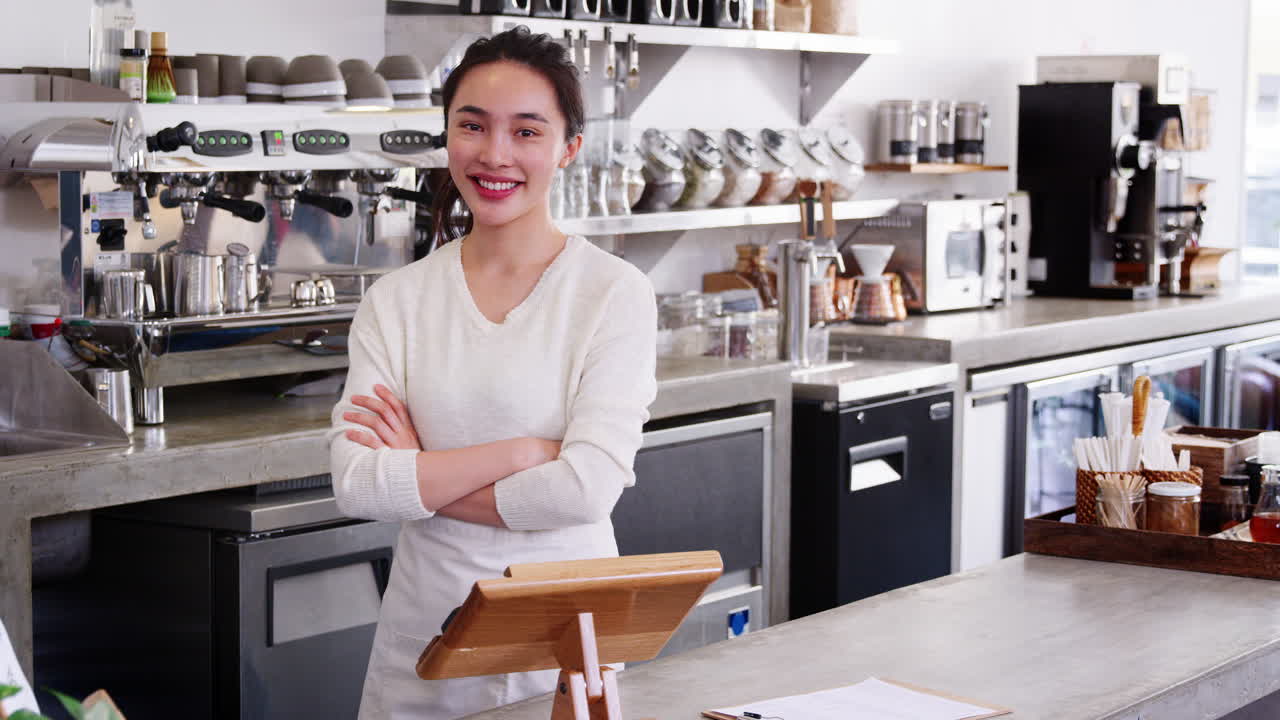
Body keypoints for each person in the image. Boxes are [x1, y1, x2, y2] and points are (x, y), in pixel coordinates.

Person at [328, 26, 658, 720]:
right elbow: (359, 482)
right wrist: (519, 454)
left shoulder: (612, 293)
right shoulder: (398, 300)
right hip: (426, 642)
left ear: (568, 147)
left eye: (526, 131)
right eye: (472, 125)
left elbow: (585, 490)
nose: (494, 154)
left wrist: (422, 477)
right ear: (447, 133)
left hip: (563, 644)